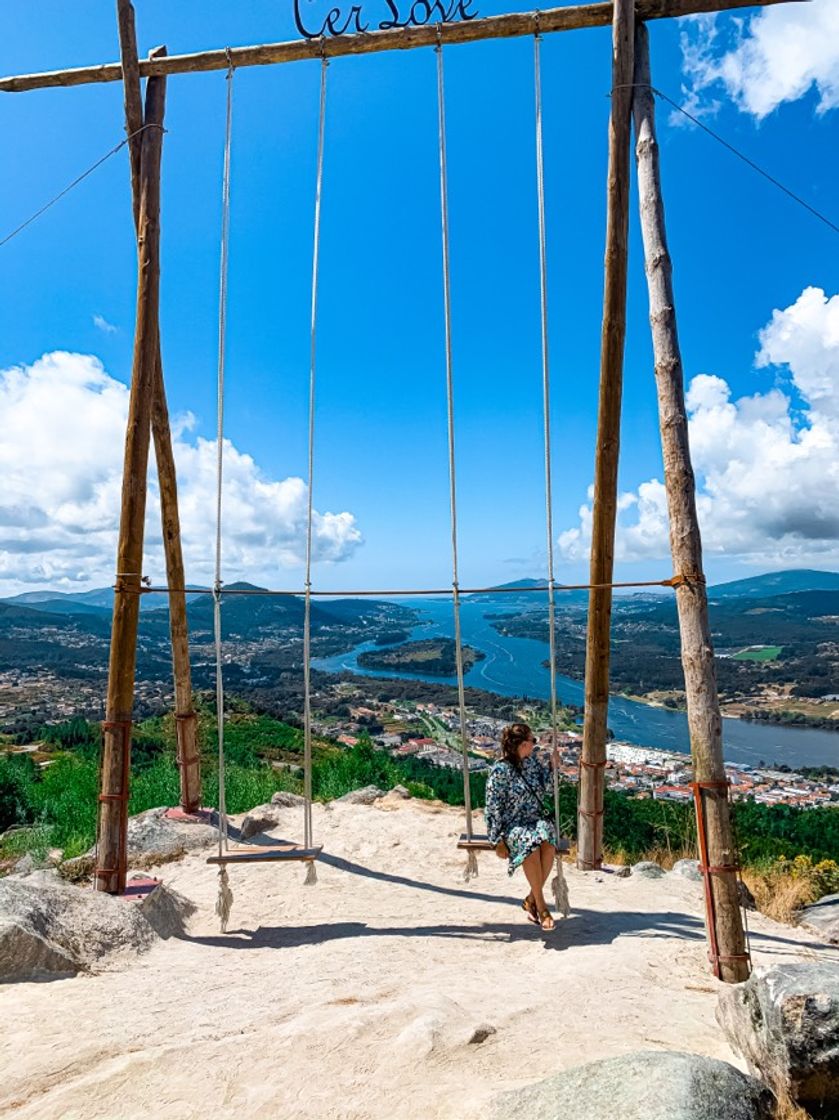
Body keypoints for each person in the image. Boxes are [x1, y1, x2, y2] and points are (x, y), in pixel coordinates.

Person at [485, 722, 558, 931]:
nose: (535, 745)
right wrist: (497, 840)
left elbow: (547, 790)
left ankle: (530, 899)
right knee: (531, 846)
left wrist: (553, 768)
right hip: (512, 825)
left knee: (548, 841)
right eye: (532, 741)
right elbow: (492, 807)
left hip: (534, 819)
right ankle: (542, 907)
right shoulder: (499, 771)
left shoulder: (531, 764)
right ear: (523, 745)